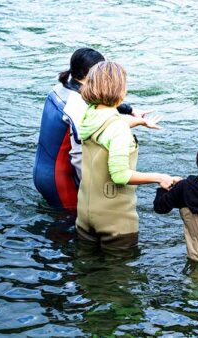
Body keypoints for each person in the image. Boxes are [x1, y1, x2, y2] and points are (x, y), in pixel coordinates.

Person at [76, 61, 178, 253]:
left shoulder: (88, 115)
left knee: (87, 273)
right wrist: (160, 177)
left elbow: (109, 122)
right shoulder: (118, 129)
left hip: (84, 213)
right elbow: (120, 175)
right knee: (117, 278)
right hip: (114, 221)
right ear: (120, 90)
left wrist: (139, 121)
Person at [33, 48, 152, 211]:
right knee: (70, 228)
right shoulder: (77, 109)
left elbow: (94, 104)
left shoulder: (59, 89)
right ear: (90, 74)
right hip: (60, 183)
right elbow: (79, 156)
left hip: (42, 170)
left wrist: (129, 110)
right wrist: (95, 194)